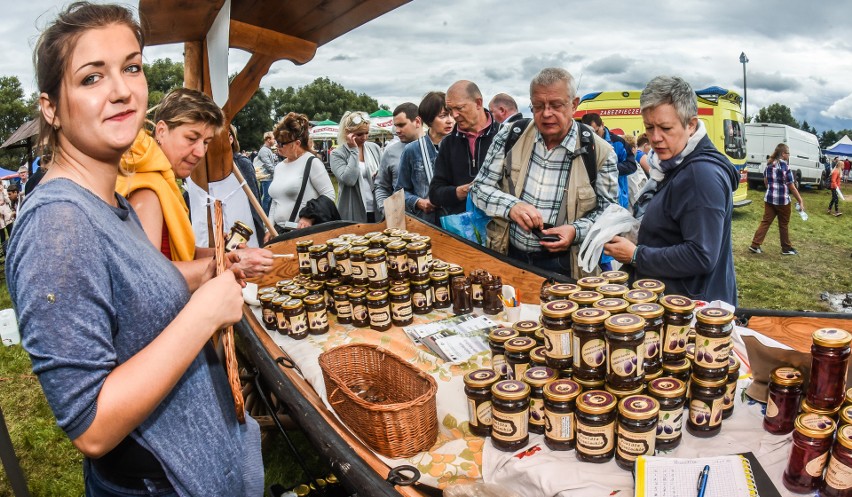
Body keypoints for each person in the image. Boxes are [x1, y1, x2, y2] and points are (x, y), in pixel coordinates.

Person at [7, 3, 262, 495]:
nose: (122, 89)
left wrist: (212, 272)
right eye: (90, 78)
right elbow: (92, 426)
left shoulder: (111, 204)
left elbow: (139, 294)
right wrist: (204, 315)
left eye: (131, 67)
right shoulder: (57, 226)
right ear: (50, 108)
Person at [604, 75, 740, 304]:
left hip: (689, 313)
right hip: (674, 302)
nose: (655, 138)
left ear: (691, 125)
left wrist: (637, 255)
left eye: (665, 128)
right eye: (649, 127)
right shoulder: (672, 164)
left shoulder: (701, 176)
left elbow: (701, 255)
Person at [471, 67, 618, 278]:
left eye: (556, 105)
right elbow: (479, 188)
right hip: (509, 255)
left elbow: (608, 216)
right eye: (538, 106)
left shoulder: (600, 152)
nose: (546, 113)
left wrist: (575, 231)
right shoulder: (511, 135)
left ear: (574, 105)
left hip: (567, 266)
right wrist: (511, 207)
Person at [118, 88, 273, 271]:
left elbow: (182, 254)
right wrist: (223, 266)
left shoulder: (163, 180)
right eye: (191, 138)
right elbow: (149, 276)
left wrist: (226, 255)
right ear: (161, 131)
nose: (200, 152)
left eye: (206, 142)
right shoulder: (147, 192)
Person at [429, 80, 501, 217]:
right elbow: (434, 193)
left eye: (459, 108)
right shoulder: (448, 143)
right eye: (450, 110)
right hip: (461, 229)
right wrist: (459, 192)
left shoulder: (504, 136)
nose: (454, 115)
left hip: (500, 229)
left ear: (478, 103)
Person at [268, 112, 335, 233]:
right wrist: (269, 228)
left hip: (303, 234)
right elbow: (275, 201)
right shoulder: (278, 167)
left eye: (281, 144)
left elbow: (329, 195)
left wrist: (309, 217)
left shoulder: (311, 162)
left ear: (296, 143)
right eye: (276, 142)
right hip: (279, 233)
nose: (277, 147)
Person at [396, 91, 455, 224]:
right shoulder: (412, 150)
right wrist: (419, 202)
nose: (450, 120)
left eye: (451, 115)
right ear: (428, 120)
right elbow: (399, 192)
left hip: (456, 223)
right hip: (426, 223)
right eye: (443, 116)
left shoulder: (461, 147)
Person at [747, 143, 805, 256]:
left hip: (769, 199)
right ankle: (786, 248)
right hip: (783, 201)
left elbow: (765, 181)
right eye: (788, 153)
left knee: (765, 221)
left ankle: (755, 244)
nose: (789, 155)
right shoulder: (785, 168)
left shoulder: (768, 165)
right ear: (783, 154)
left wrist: (771, 190)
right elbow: (791, 187)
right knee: (783, 224)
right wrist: (800, 200)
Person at [330, 111, 382, 223]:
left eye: (367, 133)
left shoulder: (374, 148)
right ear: (348, 133)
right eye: (359, 134)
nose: (364, 137)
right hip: (352, 211)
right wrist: (354, 150)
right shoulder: (337, 154)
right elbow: (349, 180)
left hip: (377, 209)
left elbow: (384, 176)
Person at [374, 103, 423, 220]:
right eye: (396, 126)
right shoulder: (390, 152)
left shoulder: (434, 147)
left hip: (432, 222)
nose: (397, 131)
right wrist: (386, 211)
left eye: (401, 125)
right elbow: (381, 186)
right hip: (401, 221)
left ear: (417, 121)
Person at [581, 113, 637, 208]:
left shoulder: (618, 142)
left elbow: (631, 165)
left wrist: (608, 168)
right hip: (590, 200)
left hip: (618, 200)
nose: (593, 136)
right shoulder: (583, 142)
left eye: (596, 131)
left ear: (602, 125)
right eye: (590, 133)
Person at [230, 124, 266, 241]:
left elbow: (254, 201)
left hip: (243, 226)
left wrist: (260, 233)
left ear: (231, 139)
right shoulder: (201, 168)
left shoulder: (241, 163)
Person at [254, 131, 277, 213]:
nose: (274, 140)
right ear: (268, 139)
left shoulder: (268, 150)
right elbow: (269, 166)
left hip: (269, 178)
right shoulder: (264, 151)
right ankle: (265, 218)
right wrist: (279, 172)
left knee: (268, 198)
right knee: (267, 199)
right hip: (266, 179)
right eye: (273, 138)